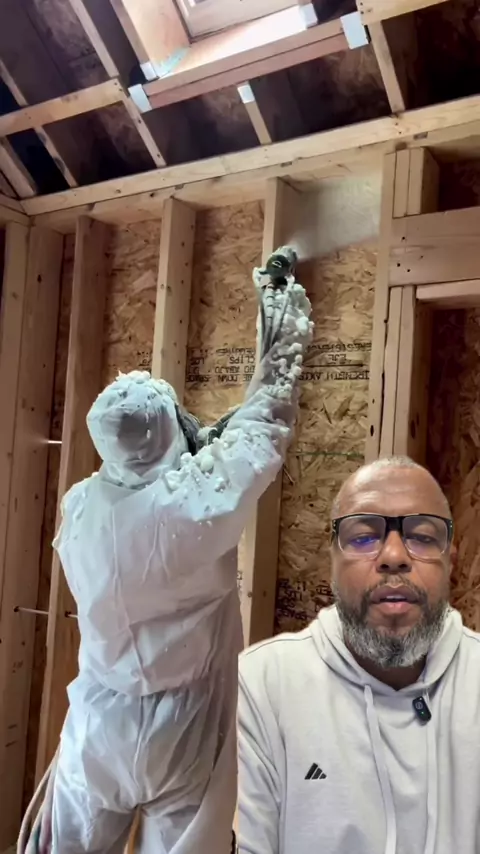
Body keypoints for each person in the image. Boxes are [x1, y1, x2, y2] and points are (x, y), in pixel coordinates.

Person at [47, 258, 313, 854]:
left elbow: (161, 481)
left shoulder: (80, 506)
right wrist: (282, 312)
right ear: (169, 430)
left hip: (97, 725)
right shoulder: (192, 505)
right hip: (182, 729)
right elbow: (263, 425)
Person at [238, 456, 480, 854]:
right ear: (331, 562)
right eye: (364, 537)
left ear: (450, 561)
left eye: (422, 536)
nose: (393, 555)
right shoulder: (261, 686)